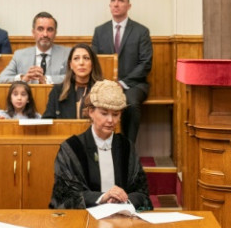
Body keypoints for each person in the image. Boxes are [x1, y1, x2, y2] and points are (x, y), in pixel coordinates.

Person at [49, 80, 153, 210]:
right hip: (85, 221)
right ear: (90, 112)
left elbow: (141, 192)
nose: (110, 120)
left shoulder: (126, 147)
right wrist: (102, 197)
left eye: (116, 114)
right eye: (104, 113)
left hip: (121, 218)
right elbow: (65, 195)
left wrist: (123, 199)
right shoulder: (71, 148)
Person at [91, 0, 152, 144]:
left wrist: (122, 83)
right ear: (109, 5)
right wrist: (107, 84)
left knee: (130, 104)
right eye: (113, 1)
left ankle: (128, 149)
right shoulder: (100, 31)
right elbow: (95, 61)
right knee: (91, 101)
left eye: (121, 1)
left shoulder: (141, 31)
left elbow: (145, 63)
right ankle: (99, 146)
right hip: (105, 84)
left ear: (128, 6)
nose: (116, 4)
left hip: (134, 85)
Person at [0, 12, 70, 84]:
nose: (45, 34)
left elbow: (75, 77)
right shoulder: (19, 55)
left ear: (55, 33)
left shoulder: (67, 54)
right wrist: (23, 78)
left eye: (50, 30)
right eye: (40, 29)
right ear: (33, 32)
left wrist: (47, 79)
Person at [43, 43, 103, 119]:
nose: (81, 63)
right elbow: (48, 120)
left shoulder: (104, 90)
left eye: (86, 58)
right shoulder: (58, 91)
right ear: (70, 64)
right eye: (76, 58)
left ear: (93, 64)